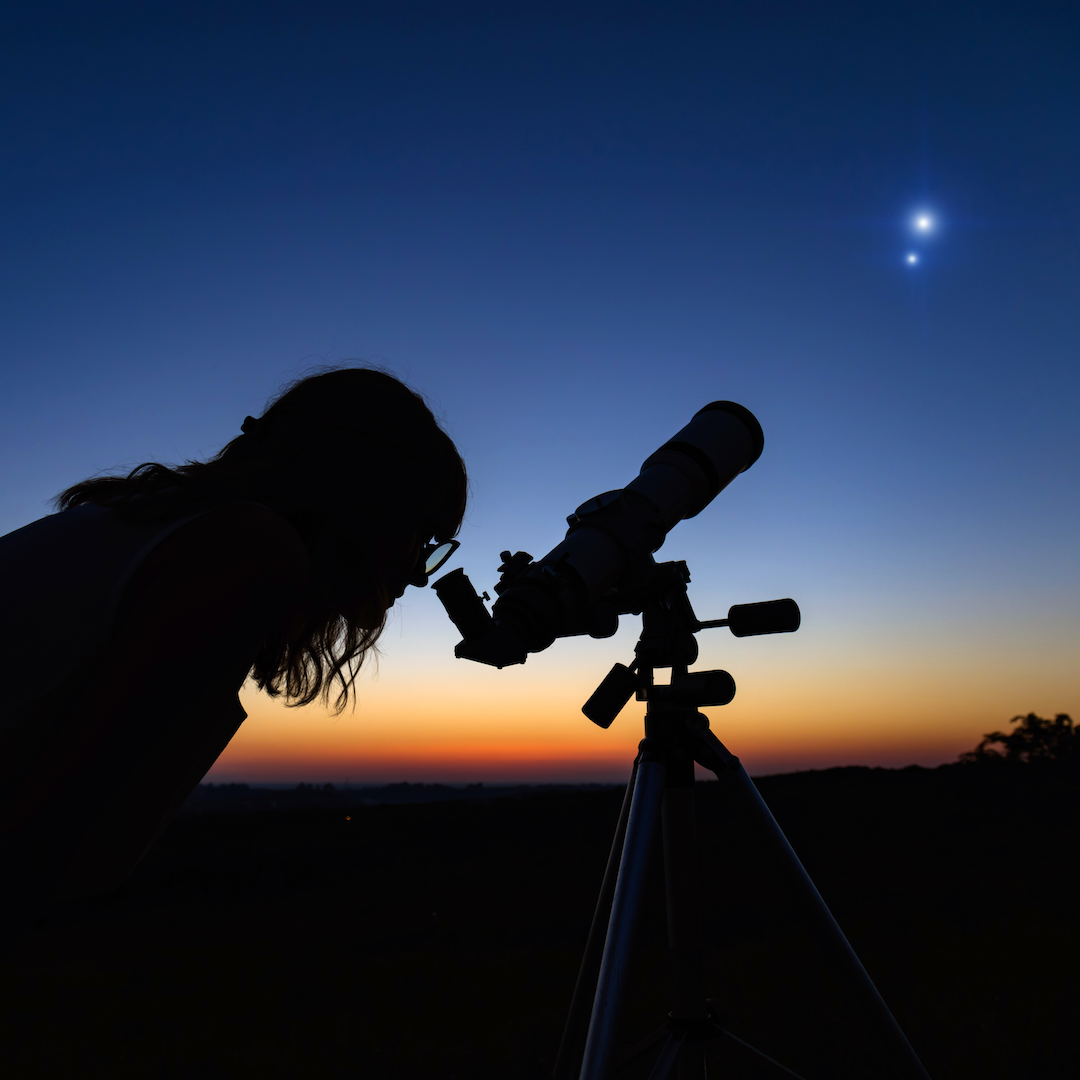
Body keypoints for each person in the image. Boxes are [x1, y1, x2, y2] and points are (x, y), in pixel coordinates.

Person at [0, 367, 467, 917]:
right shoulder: (249, 552)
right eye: (424, 537)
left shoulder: (142, 526)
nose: (418, 574)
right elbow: (59, 851)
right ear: (369, 500)